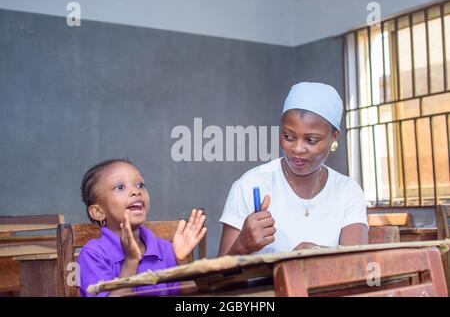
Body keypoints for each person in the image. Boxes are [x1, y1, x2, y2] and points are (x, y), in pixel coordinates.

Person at [218, 82, 368, 256]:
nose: (297, 149)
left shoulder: (347, 191)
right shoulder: (250, 185)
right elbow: (218, 280)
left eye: (311, 140)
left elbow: (358, 262)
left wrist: (313, 253)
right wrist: (242, 245)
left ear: (334, 137)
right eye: (289, 136)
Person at [78, 159, 207, 296]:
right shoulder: (93, 254)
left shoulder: (165, 249)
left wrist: (183, 262)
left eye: (140, 185)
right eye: (120, 187)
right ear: (98, 212)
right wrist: (131, 261)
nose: (135, 191)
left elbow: (187, 295)